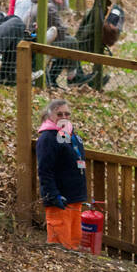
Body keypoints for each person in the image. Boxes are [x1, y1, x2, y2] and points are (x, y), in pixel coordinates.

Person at [37, 98, 88, 249]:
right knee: (60, 246)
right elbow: (45, 171)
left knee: (74, 241)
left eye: (67, 114)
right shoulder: (47, 138)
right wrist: (53, 196)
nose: (64, 117)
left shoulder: (71, 135)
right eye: (59, 114)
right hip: (60, 199)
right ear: (49, 116)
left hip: (74, 198)